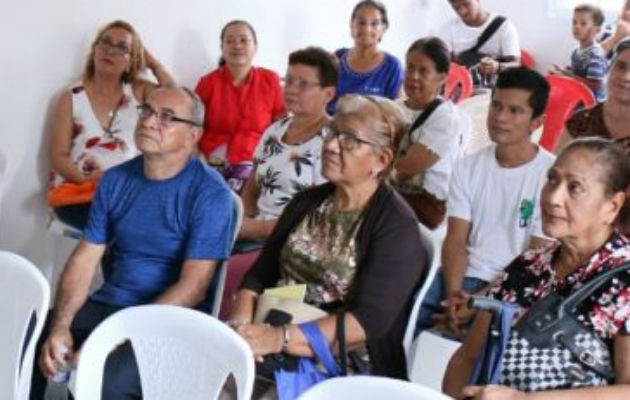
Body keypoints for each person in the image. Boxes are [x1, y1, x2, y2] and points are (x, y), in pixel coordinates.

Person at [31, 87, 234, 400]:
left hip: (168, 321)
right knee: (33, 338)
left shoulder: (211, 194)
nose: (150, 122)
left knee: (106, 381)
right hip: (109, 305)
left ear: (193, 135)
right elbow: (85, 259)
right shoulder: (115, 181)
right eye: (147, 111)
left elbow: (193, 287)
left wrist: (120, 335)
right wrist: (61, 325)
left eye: (167, 117)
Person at [229, 95, 426, 391]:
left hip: (341, 361)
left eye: (349, 140)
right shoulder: (308, 201)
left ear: (381, 159)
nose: (331, 145)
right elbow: (261, 273)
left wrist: (278, 338)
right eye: (333, 132)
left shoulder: (397, 228)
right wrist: (240, 326)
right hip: (275, 334)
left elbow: (365, 323)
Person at [444, 138, 630, 399]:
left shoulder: (624, 280)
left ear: (612, 206)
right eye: (552, 179)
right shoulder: (527, 267)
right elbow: (468, 357)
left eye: (574, 187)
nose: (553, 197)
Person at [415, 67, 555, 336]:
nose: (500, 117)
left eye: (515, 111)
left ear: (536, 122)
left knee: (477, 343)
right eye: (497, 106)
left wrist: (479, 300)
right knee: (406, 314)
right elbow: (455, 239)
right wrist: (457, 295)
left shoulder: (551, 177)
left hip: (514, 283)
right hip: (462, 275)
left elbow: (533, 260)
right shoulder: (469, 167)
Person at [48, 20, 175, 230]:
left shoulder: (139, 92)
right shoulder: (71, 97)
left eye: (121, 48)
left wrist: (153, 64)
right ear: (95, 50)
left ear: (130, 62)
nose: (110, 51)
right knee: (126, 225)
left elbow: (174, 98)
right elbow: (58, 154)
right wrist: (85, 178)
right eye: (105, 43)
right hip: (79, 193)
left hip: (130, 192)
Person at [239, 47, 338, 241]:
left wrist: (252, 229)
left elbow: (320, 216)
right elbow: (252, 187)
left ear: (328, 94)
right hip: (254, 234)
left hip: (294, 242)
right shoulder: (275, 130)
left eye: (303, 84)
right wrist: (240, 221)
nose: (292, 90)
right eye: (289, 81)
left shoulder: (334, 141)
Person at [195, 20, 285, 192]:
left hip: (256, 162)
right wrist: (197, 158)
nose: (237, 45)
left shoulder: (270, 80)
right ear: (222, 48)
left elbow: (280, 126)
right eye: (230, 41)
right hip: (214, 162)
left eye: (244, 40)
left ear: (255, 47)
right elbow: (191, 125)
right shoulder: (207, 83)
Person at [393, 37, 472, 230]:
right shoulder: (393, 108)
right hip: (394, 194)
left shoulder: (445, 118)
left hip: (426, 206)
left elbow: (406, 169)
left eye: (423, 71)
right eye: (410, 68)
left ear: (443, 77)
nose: (413, 76)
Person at [559, 38, 630, 236]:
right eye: (621, 66)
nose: (626, 76)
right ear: (610, 68)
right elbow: (554, 174)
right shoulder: (581, 121)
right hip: (572, 229)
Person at [327, 0, 403, 114]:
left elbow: (394, 115)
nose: (367, 29)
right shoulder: (337, 58)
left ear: (383, 29)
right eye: (361, 22)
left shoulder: (392, 66)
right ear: (352, 26)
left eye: (374, 24)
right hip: (332, 128)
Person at [437, 0, 521, 86]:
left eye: (466, 4)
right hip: (461, 90)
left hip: (496, 89)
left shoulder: (504, 26)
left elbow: (515, 66)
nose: (462, 11)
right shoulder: (447, 29)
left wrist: (497, 67)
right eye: (456, 8)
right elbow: (441, 67)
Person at [549, 4, 607, 103]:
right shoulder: (576, 51)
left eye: (583, 23)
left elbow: (596, 84)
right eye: (574, 22)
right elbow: (577, 73)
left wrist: (568, 75)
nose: (576, 26)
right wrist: (562, 71)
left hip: (592, 103)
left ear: (596, 30)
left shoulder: (595, 54)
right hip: (578, 97)